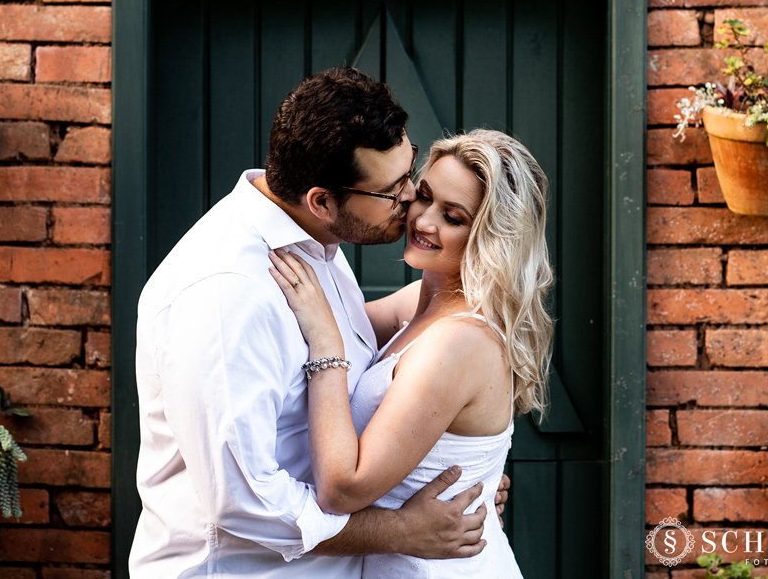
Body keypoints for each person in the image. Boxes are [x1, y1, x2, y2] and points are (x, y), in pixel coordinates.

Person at [129, 67, 506, 578]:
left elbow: (399, 370)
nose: (411, 204)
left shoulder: (315, 245)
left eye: (409, 171)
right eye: (394, 190)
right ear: (322, 201)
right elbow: (243, 500)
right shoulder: (226, 293)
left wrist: (468, 470)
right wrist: (401, 530)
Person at [268, 129, 554, 577]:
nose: (422, 220)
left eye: (453, 217)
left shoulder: (458, 342)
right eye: (423, 196)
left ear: (492, 237)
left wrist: (328, 346)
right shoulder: (418, 302)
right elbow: (296, 324)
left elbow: (342, 491)